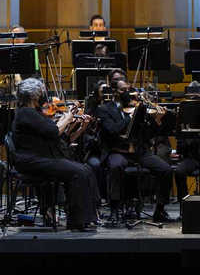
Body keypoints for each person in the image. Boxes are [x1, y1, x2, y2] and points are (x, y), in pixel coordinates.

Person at [12, 78, 100, 232]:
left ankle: (90, 216)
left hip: (40, 158)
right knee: (78, 172)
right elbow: (53, 131)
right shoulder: (26, 112)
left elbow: (51, 132)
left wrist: (69, 122)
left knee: (85, 169)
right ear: (34, 96)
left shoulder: (31, 112)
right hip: (33, 161)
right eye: (41, 93)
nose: (43, 96)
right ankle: (77, 222)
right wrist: (66, 118)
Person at [97, 78, 174, 223]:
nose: (128, 93)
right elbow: (113, 130)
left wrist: (157, 121)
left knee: (166, 170)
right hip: (118, 151)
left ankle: (160, 210)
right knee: (115, 167)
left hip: (139, 152)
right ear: (114, 91)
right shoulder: (105, 109)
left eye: (129, 89)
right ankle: (115, 209)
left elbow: (147, 135)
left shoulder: (139, 108)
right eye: (123, 90)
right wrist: (132, 117)